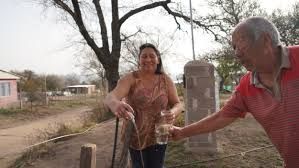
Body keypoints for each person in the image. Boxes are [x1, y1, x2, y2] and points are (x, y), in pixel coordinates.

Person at [170, 16, 299, 168]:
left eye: (241, 44)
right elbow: (221, 116)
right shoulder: (246, 86)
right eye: (234, 47)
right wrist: (182, 132)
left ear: (265, 41)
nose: (236, 53)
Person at [104, 43, 183, 168]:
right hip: (135, 136)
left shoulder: (165, 80)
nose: (148, 59)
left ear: (158, 59)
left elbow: (178, 104)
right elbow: (110, 97)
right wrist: (116, 104)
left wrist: (173, 112)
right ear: (139, 60)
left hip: (160, 134)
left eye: (152, 56)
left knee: (157, 165)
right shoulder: (130, 78)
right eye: (144, 56)